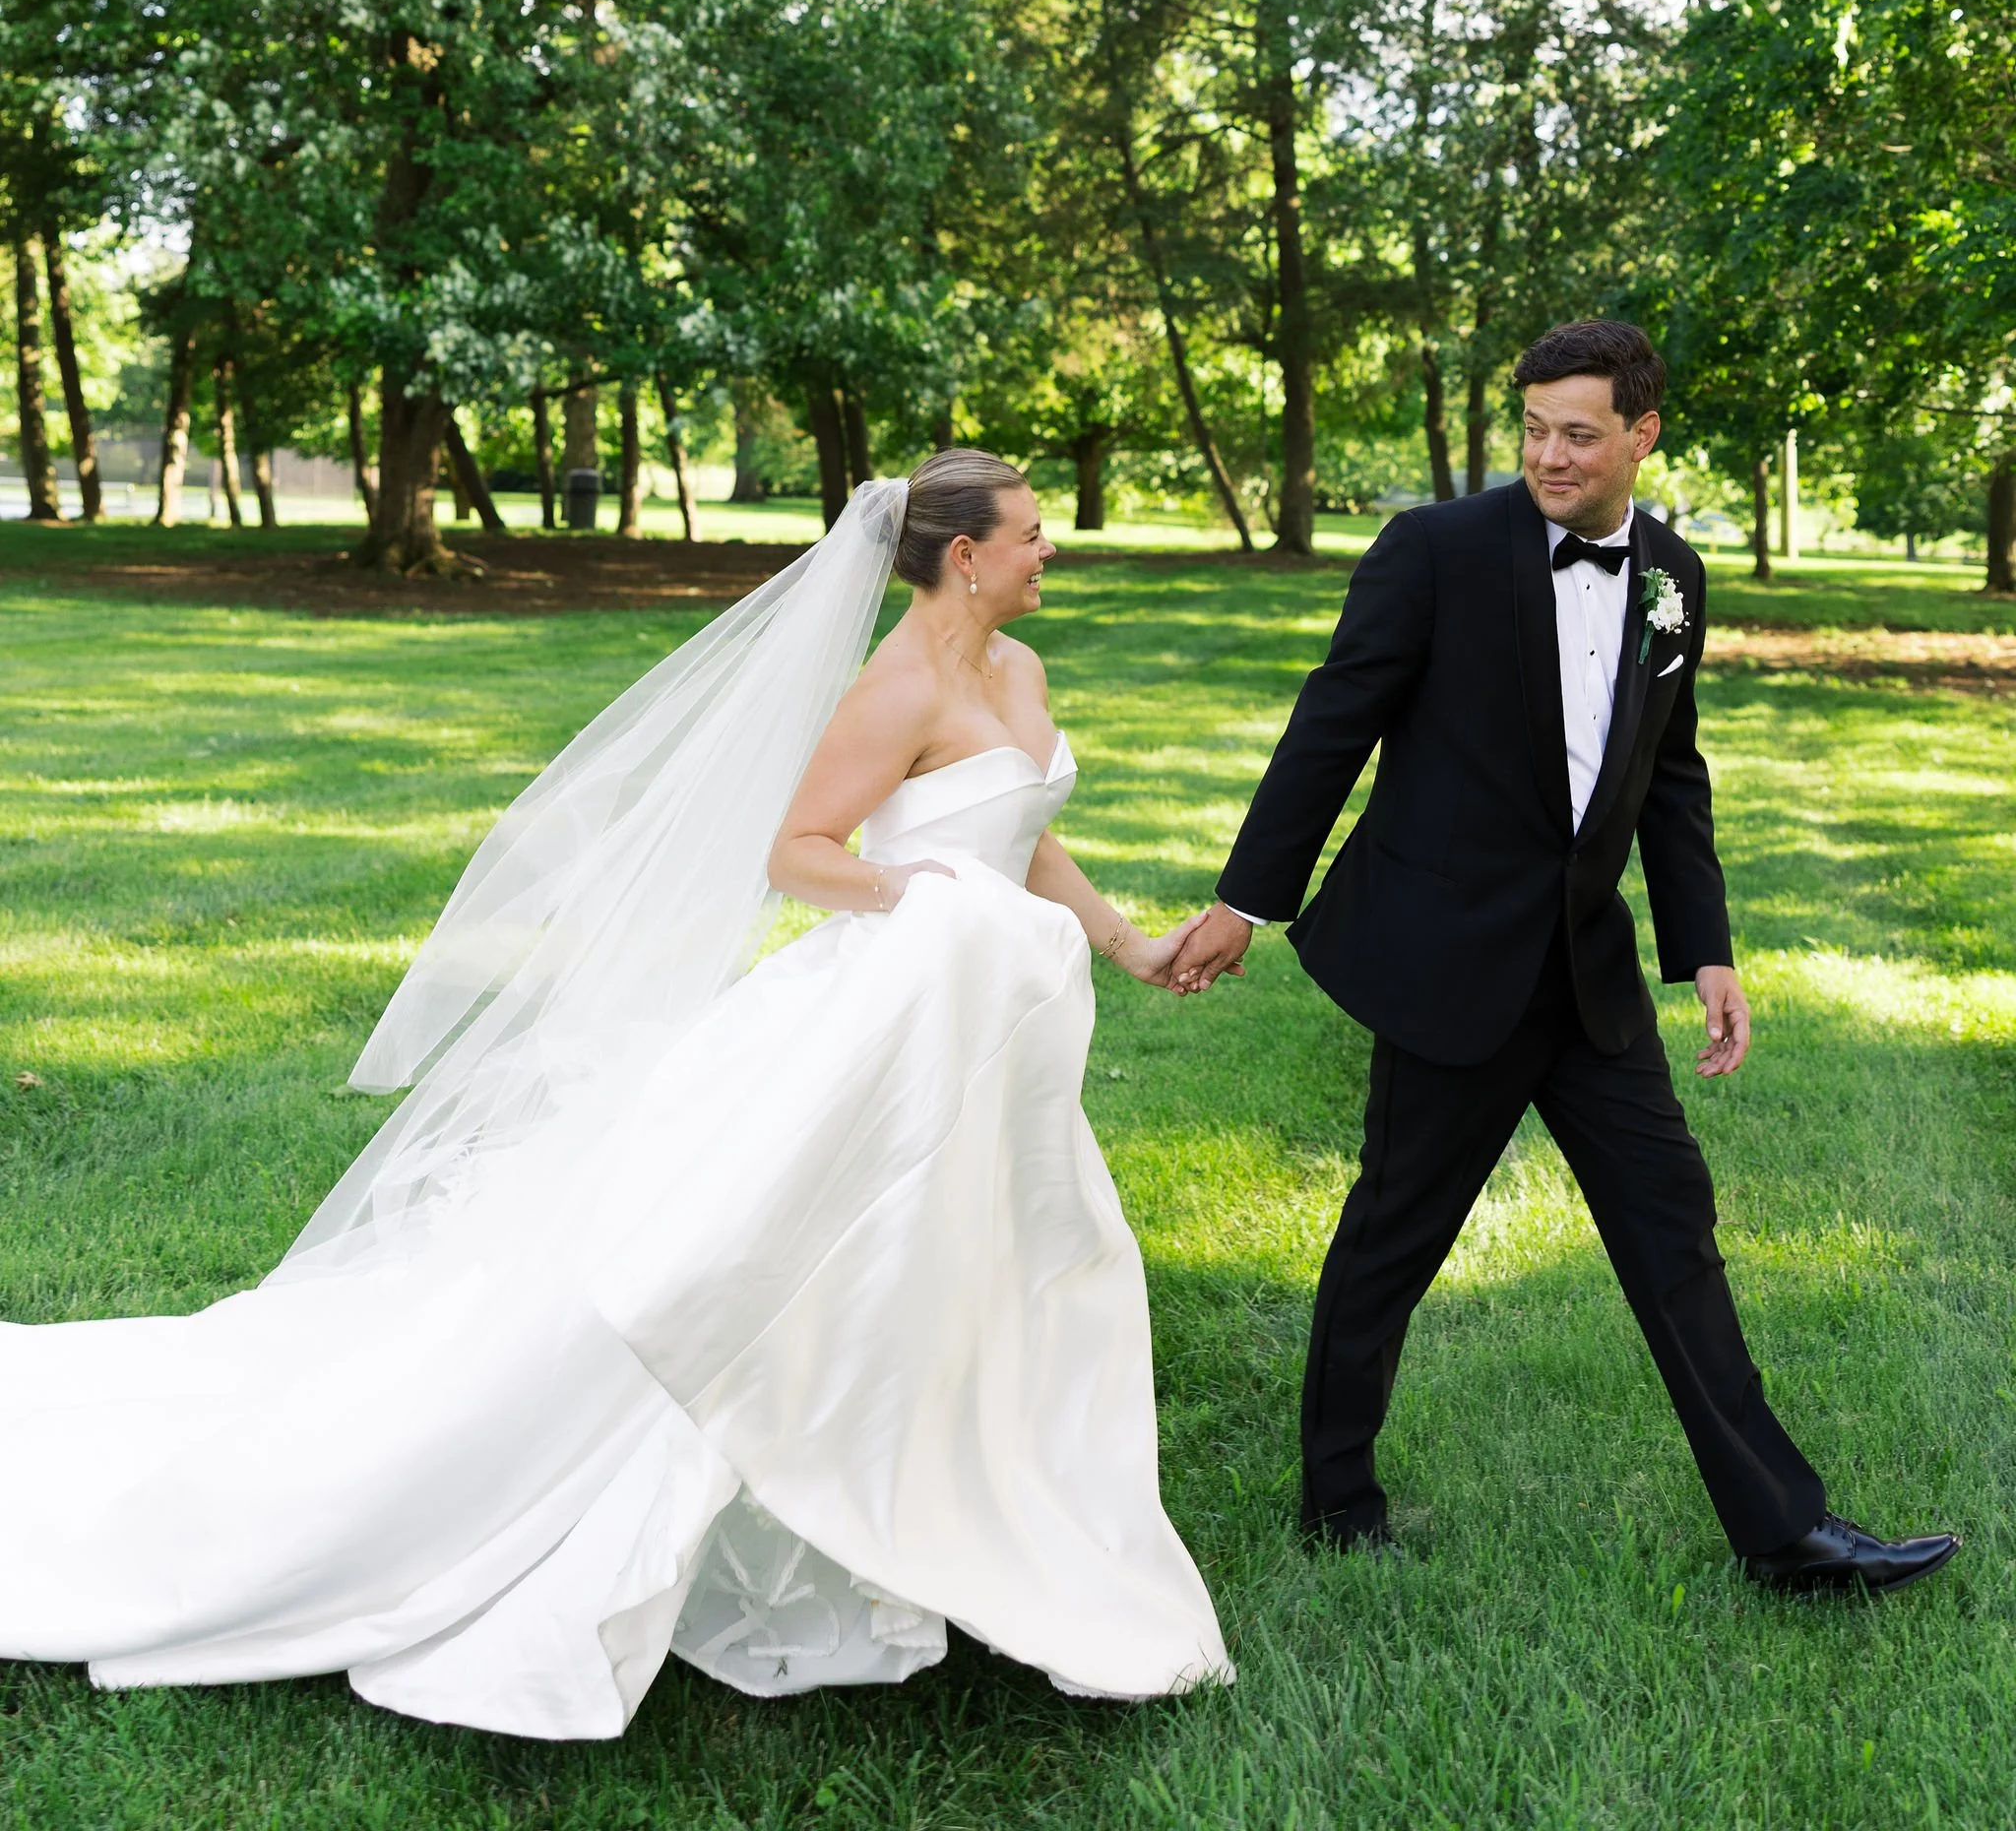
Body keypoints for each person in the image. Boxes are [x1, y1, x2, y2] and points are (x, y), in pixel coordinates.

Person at [0, 453, 1227, 1735]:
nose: (1049, 550)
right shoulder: (899, 686)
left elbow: (1021, 826)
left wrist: (1127, 944)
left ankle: (944, 1491)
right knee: (770, 1265)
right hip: (894, 1018)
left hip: (989, 1023)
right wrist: (915, 893)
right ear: (964, 556)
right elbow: (797, 851)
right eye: (1032, 533)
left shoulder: (1018, 671)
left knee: (971, 1253)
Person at [1174, 320, 1960, 1599]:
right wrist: (1246, 902)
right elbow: (1334, 720)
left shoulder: (1673, 576)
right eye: (1535, 429)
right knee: (1393, 1240)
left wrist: (1705, 950)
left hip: (1591, 977)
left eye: (1579, 434)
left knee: (1673, 1229)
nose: (1549, 455)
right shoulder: (1434, 551)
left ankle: (1785, 1532)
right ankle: (1338, 1499)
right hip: (1449, 964)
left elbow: (1671, 771)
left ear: (1643, 434)